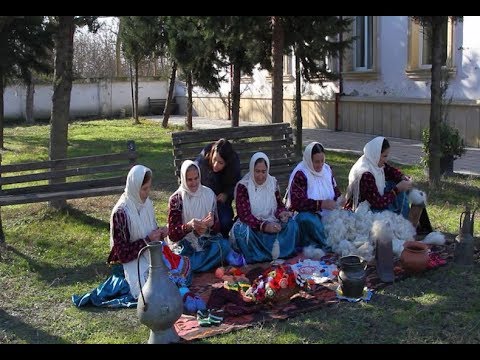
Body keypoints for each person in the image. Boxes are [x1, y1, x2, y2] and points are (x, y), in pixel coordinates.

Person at [107, 164, 191, 300]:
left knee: (182, 271)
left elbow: (152, 231)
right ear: (134, 188)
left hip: (150, 253)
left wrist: (161, 233)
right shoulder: (121, 213)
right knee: (155, 289)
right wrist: (147, 240)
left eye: (149, 188)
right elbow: (122, 254)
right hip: (132, 261)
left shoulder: (147, 204)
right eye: (144, 189)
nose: (147, 193)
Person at [230, 152, 298, 264]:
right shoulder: (243, 186)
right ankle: (259, 256)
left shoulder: (272, 183)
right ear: (252, 169)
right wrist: (264, 226)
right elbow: (244, 215)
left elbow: (279, 206)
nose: (260, 176)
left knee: (292, 224)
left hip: (272, 221)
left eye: (263, 171)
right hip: (254, 227)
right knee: (241, 231)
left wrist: (282, 213)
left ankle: (280, 253)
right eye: (257, 171)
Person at [168, 160, 234, 272]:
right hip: (186, 245)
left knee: (225, 246)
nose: (194, 183)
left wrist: (211, 224)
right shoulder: (176, 199)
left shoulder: (209, 194)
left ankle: (191, 268)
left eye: (196, 178)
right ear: (183, 179)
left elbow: (216, 228)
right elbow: (172, 235)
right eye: (189, 179)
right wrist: (189, 226)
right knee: (179, 257)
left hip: (205, 241)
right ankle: (202, 265)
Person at [285, 142, 344, 250]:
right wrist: (321, 204)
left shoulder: (326, 169)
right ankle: (327, 244)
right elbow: (297, 203)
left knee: (345, 219)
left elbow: (335, 190)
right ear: (309, 160)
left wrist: (339, 199)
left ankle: (334, 242)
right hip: (309, 215)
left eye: (322, 160)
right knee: (307, 219)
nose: (320, 164)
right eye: (316, 162)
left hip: (329, 215)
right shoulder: (301, 174)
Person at [345, 136, 413, 218]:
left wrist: (402, 177)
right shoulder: (365, 174)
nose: (386, 160)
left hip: (373, 203)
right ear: (376, 154)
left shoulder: (372, 161)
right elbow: (379, 203)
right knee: (400, 191)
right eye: (384, 156)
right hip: (364, 211)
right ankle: (405, 219)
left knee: (397, 183)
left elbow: (389, 170)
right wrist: (397, 189)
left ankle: (405, 217)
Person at [195, 138, 241, 238]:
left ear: (227, 162)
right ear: (212, 154)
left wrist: (227, 194)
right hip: (202, 200)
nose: (216, 165)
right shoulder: (202, 161)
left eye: (221, 163)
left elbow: (236, 184)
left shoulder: (234, 163)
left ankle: (223, 239)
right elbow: (192, 177)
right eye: (214, 159)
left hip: (221, 202)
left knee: (225, 222)